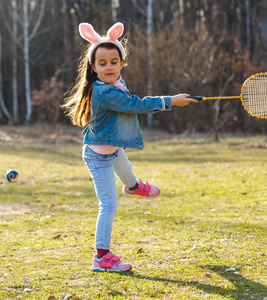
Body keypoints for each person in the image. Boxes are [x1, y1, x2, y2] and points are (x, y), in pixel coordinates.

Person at [63, 22, 197, 272]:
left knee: (126, 170)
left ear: (122, 63)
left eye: (114, 61)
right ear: (93, 68)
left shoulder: (115, 81)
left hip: (112, 148)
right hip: (97, 155)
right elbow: (135, 104)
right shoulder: (104, 92)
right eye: (102, 63)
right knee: (108, 205)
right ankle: (101, 258)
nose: (109, 67)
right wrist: (171, 101)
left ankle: (133, 187)